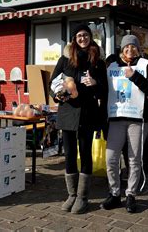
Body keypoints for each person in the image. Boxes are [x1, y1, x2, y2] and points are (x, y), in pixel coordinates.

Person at [49, 24, 108, 214]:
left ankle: (83, 197)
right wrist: (57, 94)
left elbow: (106, 89)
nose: (82, 38)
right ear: (74, 39)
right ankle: (71, 194)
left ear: (91, 37)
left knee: (85, 152)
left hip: (88, 112)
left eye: (86, 35)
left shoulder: (98, 60)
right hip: (67, 111)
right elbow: (53, 82)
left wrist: (96, 83)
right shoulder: (65, 58)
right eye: (79, 35)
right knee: (69, 154)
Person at [101, 34, 148, 213]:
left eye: (133, 47)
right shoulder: (112, 65)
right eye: (126, 47)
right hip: (116, 117)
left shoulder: (145, 66)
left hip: (138, 119)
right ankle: (114, 193)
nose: (130, 50)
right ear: (121, 49)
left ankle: (131, 194)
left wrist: (134, 77)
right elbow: (104, 88)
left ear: (138, 49)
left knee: (134, 159)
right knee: (111, 157)